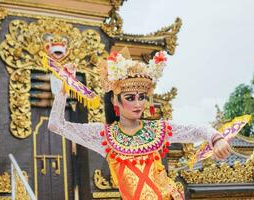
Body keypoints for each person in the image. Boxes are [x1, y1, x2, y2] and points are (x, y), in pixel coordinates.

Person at [48, 47, 231, 200]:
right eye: (130, 98)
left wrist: (217, 139)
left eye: (141, 97)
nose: (137, 104)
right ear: (114, 100)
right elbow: (56, 124)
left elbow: (198, 129)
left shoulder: (158, 129)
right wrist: (65, 87)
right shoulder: (104, 136)